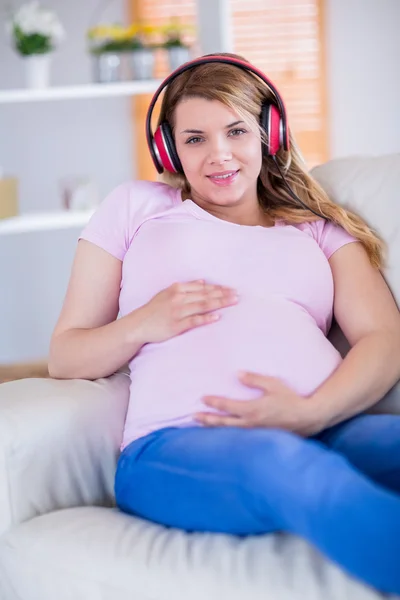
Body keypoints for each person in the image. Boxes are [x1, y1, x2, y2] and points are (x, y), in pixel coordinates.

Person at [49, 54, 400, 594]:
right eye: (194, 139)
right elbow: (65, 355)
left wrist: (310, 414)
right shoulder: (136, 207)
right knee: (283, 465)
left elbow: (385, 339)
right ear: (170, 149)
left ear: (268, 134)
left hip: (325, 429)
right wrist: (144, 322)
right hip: (176, 445)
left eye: (236, 131)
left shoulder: (319, 229)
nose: (219, 155)